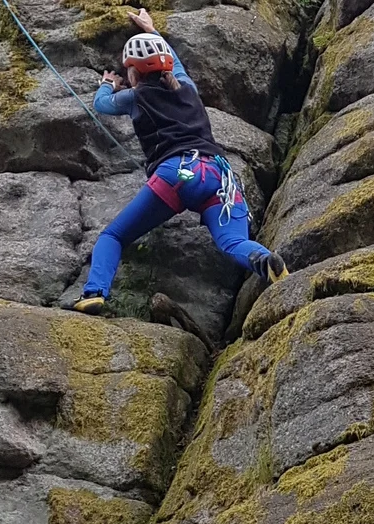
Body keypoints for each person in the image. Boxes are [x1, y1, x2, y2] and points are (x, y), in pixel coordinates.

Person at [65, 9, 287, 316]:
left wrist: (107, 83)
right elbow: (177, 64)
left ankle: (94, 293)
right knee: (233, 241)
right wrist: (152, 29)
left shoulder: (135, 97)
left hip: (177, 174)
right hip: (220, 176)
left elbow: (101, 104)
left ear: (133, 73)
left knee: (113, 236)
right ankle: (265, 260)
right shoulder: (187, 88)